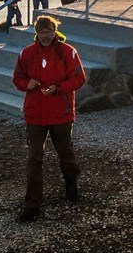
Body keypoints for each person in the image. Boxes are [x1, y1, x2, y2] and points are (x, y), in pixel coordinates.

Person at [12, 14, 87, 221]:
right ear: (36, 32)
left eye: (49, 31)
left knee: (65, 153)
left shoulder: (68, 52)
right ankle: (32, 204)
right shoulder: (26, 54)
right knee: (34, 158)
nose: (45, 35)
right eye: (41, 31)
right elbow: (17, 78)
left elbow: (79, 78)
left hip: (60, 113)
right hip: (35, 114)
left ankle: (72, 187)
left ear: (55, 31)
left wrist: (59, 88)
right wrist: (26, 84)